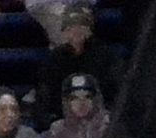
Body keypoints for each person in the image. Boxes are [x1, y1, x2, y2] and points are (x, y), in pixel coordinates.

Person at [33, 3, 121, 131]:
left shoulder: (106, 56)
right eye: (71, 27)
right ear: (64, 32)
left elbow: (116, 92)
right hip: (64, 123)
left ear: (90, 30)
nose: (76, 31)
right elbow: (43, 99)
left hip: (100, 122)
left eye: (82, 26)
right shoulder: (54, 60)